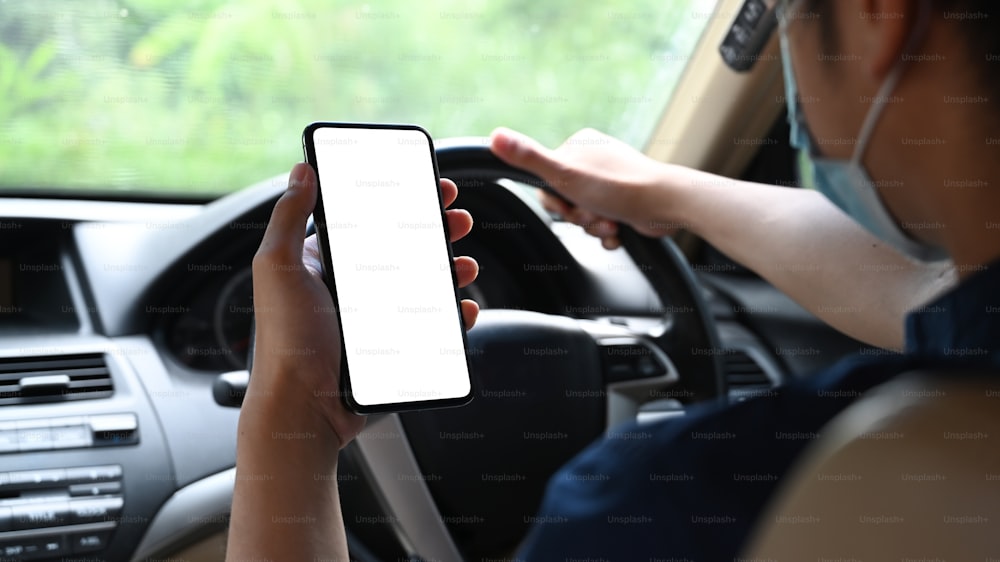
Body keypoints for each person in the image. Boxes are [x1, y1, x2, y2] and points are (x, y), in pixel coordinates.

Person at [227, 0, 1000, 559]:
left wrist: (295, 418)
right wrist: (663, 189)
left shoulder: (670, 506)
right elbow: (929, 293)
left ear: (877, 14)